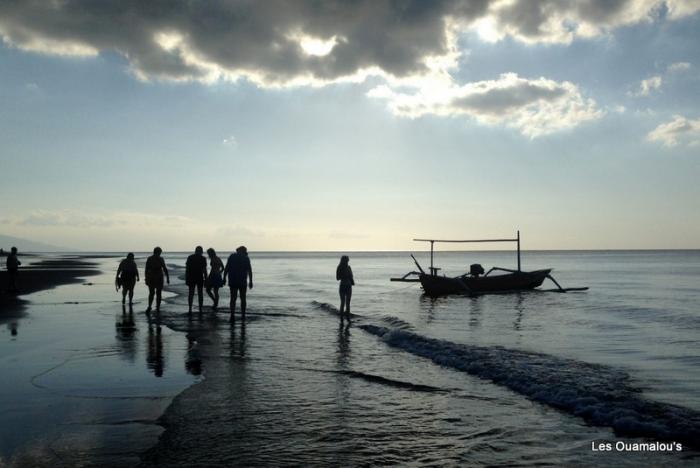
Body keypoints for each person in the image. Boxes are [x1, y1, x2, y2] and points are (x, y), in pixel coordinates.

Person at [223, 246, 253, 320]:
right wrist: (251, 281)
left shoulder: (232, 256)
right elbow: (249, 270)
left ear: (238, 250)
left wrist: (224, 278)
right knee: (243, 298)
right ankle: (243, 315)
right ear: (243, 251)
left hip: (233, 280)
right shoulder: (246, 258)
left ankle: (232, 314)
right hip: (242, 281)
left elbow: (227, 268)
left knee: (233, 298)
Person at [145, 247, 169, 313]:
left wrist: (146, 278)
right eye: (160, 252)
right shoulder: (159, 259)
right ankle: (155, 307)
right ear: (158, 252)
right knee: (156, 293)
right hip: (156, 277)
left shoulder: (151, 258)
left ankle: (152, 306)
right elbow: (164, 268)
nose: (160, 254)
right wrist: (168, 278)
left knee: (153, 293)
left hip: (154, 277)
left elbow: (146, 269)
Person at [186, 246, 208, 314]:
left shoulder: (190, 257)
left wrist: (187, 278)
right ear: (201, 251)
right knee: (200, 293)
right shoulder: (203, 258)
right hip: (199, 277)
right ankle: (200, 308)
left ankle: (190, 308)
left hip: (191, 277)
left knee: (191, 293)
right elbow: (204, 269)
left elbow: (187, 269)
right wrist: (206, 278)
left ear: (195, 251)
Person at [336, 255, 354, 322]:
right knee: (343, 302)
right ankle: (342, 318)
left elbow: (351, 276)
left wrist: (352, 281)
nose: (347, 261)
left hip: (348, 285)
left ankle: (347, 318)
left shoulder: (349, 267)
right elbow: (337, 278)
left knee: (347, 303)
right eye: (347, 260)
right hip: (343, 285)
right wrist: (345, 275)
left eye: (348, 260)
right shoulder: (339, 267)